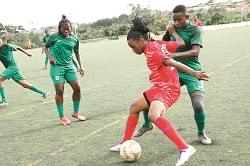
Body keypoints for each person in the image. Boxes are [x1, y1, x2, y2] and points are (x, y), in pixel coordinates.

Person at [110, 16, 209, 166]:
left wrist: (194, 73)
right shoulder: (157, 44)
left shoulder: (152, 51)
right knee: (134, 107)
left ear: (139, 40)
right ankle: (124, 142)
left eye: (132, 46)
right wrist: (173, 33)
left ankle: (185, 148)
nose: (133, 50)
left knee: (153, 115)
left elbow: (172, 62)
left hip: (168, 88)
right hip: (159, 86)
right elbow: (180, 44)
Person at [135, 5, 212, 145]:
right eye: (174, 20)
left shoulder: (195, 30)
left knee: (198, 105)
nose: (176, 23)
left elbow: (195, 52)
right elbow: (161, 44)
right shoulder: (172, 30)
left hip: (191, 69)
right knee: (151, 96)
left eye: (179, 20)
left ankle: (201, 133)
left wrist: (174, 55)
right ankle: (147, 124)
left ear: (186, 17)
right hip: (172, 71)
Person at [44, 15, 86, 126]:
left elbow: (76, 52)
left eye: (68, 28)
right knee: (59, 90)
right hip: (57, 68)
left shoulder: (74, 38)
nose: (67, 30)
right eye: (64, 28)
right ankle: (62, 116)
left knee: (77, 89)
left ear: (71, 28)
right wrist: (50, 57)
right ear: (60, 29)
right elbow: (45, 47)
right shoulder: (54, 37)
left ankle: (75, 113)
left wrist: (80, 66)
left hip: (69, 67)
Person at [0, 38, 49, 107]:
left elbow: (18, 47)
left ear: (1, 42)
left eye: (0, 41)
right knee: (25, 85)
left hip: (13, 67)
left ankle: (4, 101)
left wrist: (27, 53)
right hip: (10, 68)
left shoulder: (7, 46)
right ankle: (44, 92)